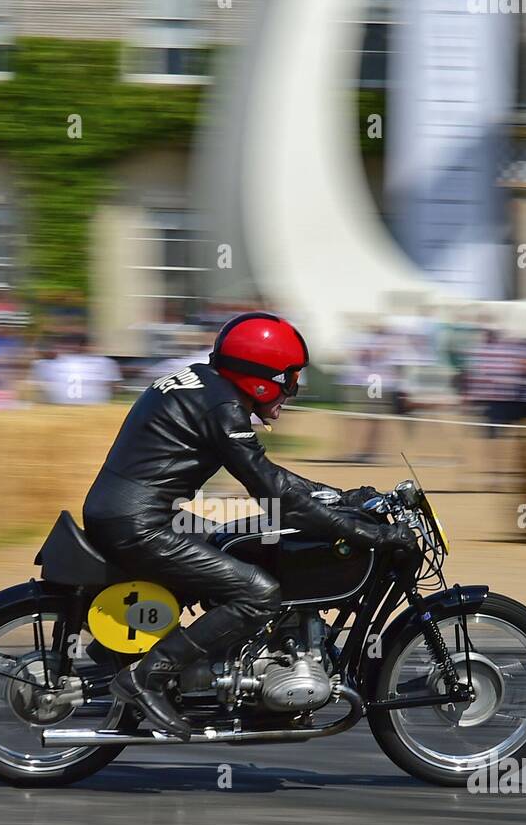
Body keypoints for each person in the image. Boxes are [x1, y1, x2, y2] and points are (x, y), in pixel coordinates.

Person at [82, 312, 419, 738]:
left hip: (138, 512)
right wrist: (369, 532)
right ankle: (145, 678)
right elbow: (275, 494)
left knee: (235, 543)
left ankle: (147, 654)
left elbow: (272, 478)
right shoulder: (224, 408)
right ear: (260, 377)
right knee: (259, 593)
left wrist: (342, 497)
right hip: (139, 523)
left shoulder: (203, 383)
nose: (291, 391)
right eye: (287, 379)